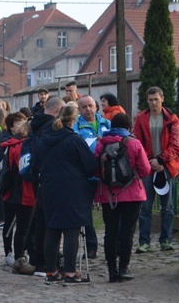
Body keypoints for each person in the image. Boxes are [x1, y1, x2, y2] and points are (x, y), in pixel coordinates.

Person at [34, 104, 98, 284]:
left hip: (49, 188)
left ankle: (51, 271)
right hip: (73, 189)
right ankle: (70, 271)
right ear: (73, 120)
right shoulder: (74, 140)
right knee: (71, 229)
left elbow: (35, 164)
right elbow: (90, 165)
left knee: (52, 229)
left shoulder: (44, 139)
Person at [94, 112, 150, 282]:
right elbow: (145, 170)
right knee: (127, 232)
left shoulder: (100, 144)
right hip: (132, 194)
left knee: (110, 232)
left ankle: (112, 270)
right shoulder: (134, 143)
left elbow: (95, 169)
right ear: (128, 127)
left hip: (108, 195)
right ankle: (124, 268)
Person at [134, 86, 179, 253]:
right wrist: (150, 161)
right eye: (150, 100)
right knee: (145, 206)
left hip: (167, 166)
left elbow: (176, 145)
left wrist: (161, 159)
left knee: (167, 206)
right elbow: (138, 142)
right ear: (147, 101)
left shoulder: (172, 119)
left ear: (162, 98)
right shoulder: (141, 118)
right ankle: (144, 241)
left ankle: (166, 240)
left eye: (156, 99)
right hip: (148, 166)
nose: (154, 103)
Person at [29, 96, 64, 276]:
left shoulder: (35, 123)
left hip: (38, 176)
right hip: (50, 178)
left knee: (40, 220)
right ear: (58, 111)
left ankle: (39, 259)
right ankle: (47, 262)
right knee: (49, 223)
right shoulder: (52, 127)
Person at [73, 95, 111, 259]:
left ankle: (112, 244)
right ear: (79, 110)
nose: (88, 109)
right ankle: (91, 246)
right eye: (84, 107)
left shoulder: (106, 123)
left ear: (96, 107)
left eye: (90, 106)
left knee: (110, 213)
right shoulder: (76, 128)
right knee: (86, 213)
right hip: (86, 176)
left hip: (107, 175)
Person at [0, 112, 36, 275]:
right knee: (23, 228)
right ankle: (20, 258)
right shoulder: (23, 146)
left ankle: (14, 255)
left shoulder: (9, 146)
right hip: (24, 190)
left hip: (10, 190)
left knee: (12, 225)